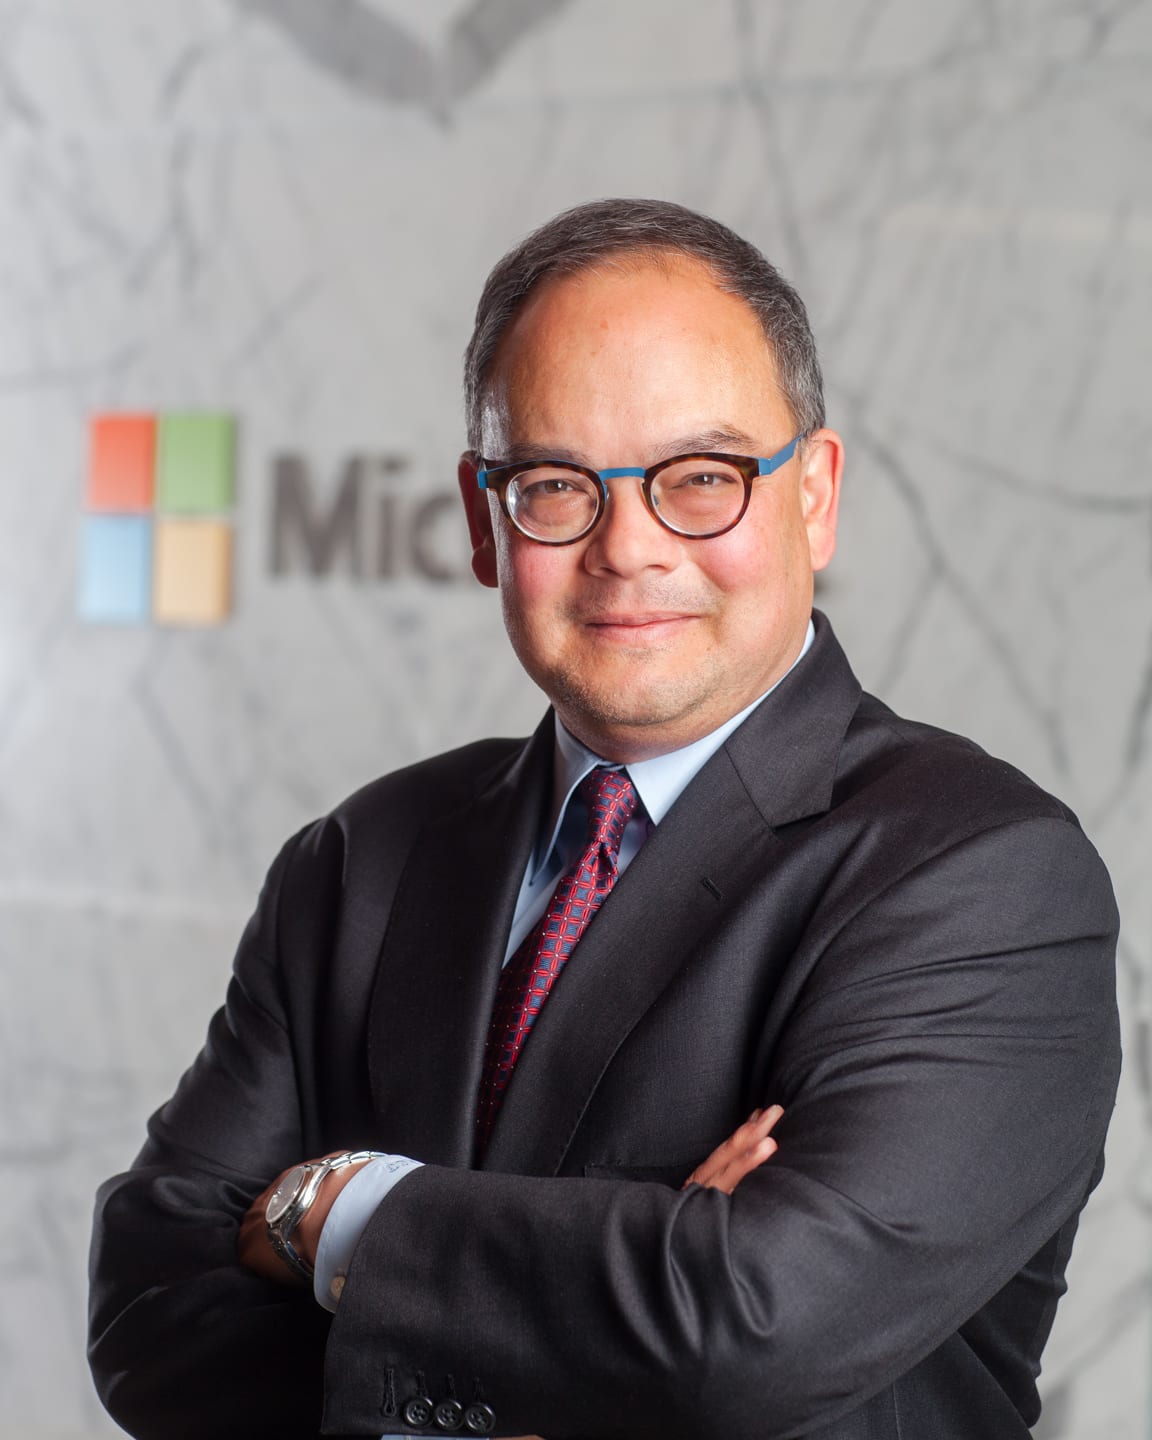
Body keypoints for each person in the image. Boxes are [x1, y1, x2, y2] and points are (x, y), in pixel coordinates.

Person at [88, 198, 1120, 1440]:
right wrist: (631, 1286)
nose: (628, 548)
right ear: (484, 519)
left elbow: (751, 1328)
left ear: (814, 496)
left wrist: (335, 1210)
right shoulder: (363, 860)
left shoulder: (981, 874)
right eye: (556, 486)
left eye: (703, 478)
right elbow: (148, 1312)